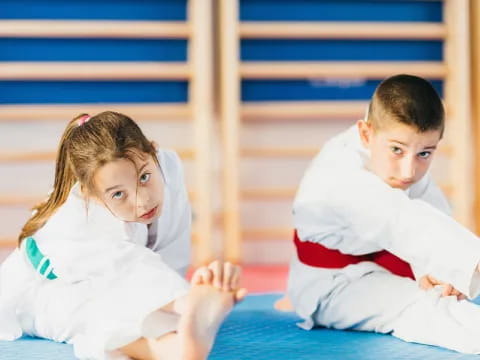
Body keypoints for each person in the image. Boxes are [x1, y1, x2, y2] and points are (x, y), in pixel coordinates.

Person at [0, 111, 246, 360]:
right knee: (90, 315)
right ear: (92, 195)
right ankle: (174, 349)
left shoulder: (167, 165)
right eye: (119, 194)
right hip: (41, 294)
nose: (143, 201)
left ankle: (183, 337)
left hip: (113, 281)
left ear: (153, 151)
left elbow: (171, 245)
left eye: (144, 177)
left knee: (140, 308)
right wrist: (186, 300)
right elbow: (126, 267)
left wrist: (189, 300)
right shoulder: (74, 222)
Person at [287, 74, 480, 353]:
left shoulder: (392, 142)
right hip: (332, 287)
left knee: (445, 295)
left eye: (425, 153)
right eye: (396, 150)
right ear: (366, 134)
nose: (408, 171)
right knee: (427, 308)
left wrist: (440, 272)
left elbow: (429, 210)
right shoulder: (340, 175)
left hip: (386, 266)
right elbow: (403, 221)